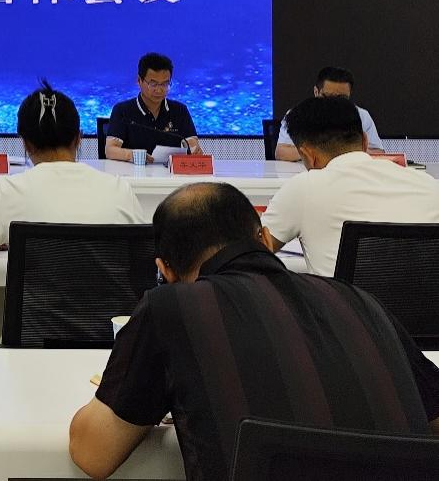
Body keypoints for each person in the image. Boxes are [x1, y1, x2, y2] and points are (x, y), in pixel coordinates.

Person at [69, 182, 439, 481]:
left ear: (165, 270)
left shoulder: (170, 307)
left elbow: (94, 454)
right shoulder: (360, 300)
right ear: (264, 238)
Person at [0, 80, 145, 270]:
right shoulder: (119, 189)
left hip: (39, 294)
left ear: (25, 143)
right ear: (79, 138)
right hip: (105, 294)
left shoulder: (10, 192)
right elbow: (145, 258)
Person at [261, 95, 437, 278]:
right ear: (365, 141)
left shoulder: (304, 188)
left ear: (307, 154)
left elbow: (252, 251)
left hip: (341, 297)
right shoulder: (429, 185)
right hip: (421, 297)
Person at [275, 66, 385, 162]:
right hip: (306, 173)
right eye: (329, 97)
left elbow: (379, 153)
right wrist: (320, 151)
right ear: (316, 92)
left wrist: (337, 151)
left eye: (342, 98)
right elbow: (281, 152)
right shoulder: (298, 114)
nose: (334, 104)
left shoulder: (361, 115)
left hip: (348, 172)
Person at [104, 52, 201, 161]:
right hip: (133, 170)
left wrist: (194, 150)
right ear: (139, 81)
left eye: (164, 84)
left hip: (168, 171)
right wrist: (133, 155)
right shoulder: (122, 111)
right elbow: (110, 150)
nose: (159, 90)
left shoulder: (180, 110)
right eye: (153, 84)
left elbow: (192, 144)